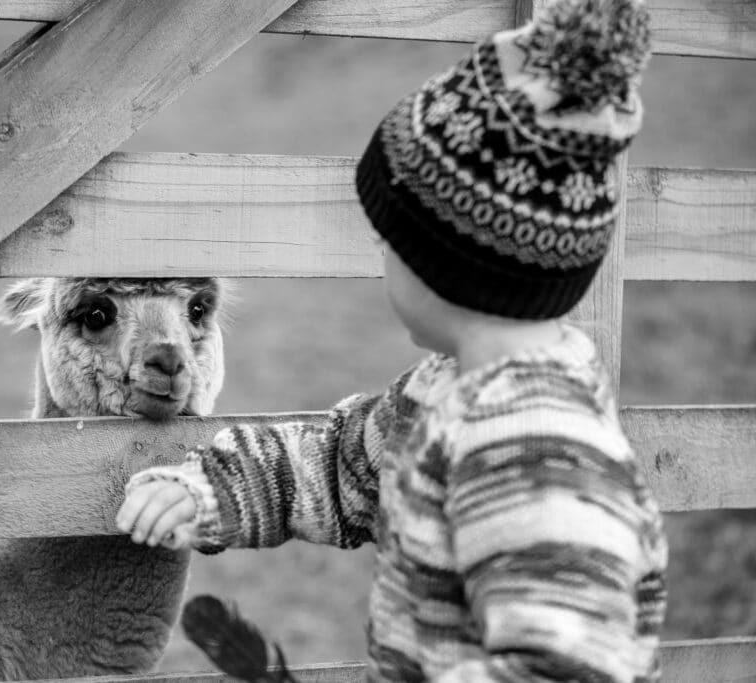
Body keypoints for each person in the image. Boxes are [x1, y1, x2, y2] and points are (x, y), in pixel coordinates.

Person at [117, 0, 668, 680]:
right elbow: (335, 464)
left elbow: (567, 665)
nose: (380, 253)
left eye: (389, 237)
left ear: (445, 261)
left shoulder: (542, 452)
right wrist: (208, 489)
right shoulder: (446, 391)